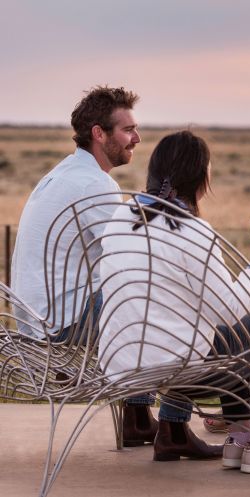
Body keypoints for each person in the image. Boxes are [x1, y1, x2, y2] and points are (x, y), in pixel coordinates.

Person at [98, 130, 250, 472]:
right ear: (201, 176)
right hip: (180, 371)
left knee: (241, 331)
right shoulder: (193, 230)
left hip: (122, 364)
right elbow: (227, 311)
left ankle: (239, 442)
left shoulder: (121, 218)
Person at [10, 85, 161, 447]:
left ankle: (139, 418)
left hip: (36, 316)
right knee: (161, 304)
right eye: (127, 130)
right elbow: (137, 256)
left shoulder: (64, 174)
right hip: (62, 323)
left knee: (135, 298)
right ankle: (171, 424)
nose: (137, 138)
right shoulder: (94, 185)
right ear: (99, 133)